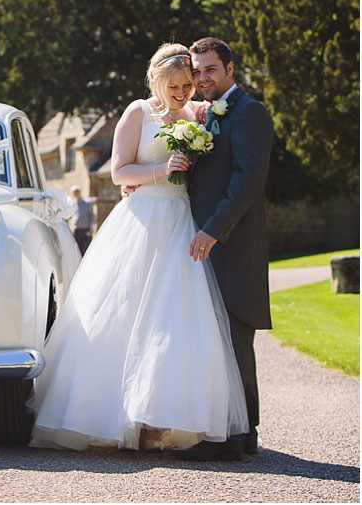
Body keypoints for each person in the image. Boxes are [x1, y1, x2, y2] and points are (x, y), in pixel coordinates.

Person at [29, 43, 249, 454]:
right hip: (141, 221)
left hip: (180, 221)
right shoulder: (138, 112)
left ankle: (162, 420)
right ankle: (117, 416)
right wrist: (161, 170)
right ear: (156, 81)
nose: (183, 92)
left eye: (187, 85)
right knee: (124, 315)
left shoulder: (196, 116)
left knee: (175, 320)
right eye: (175, 85)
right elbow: (117, 171)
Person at [174, 37, 274, 461]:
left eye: (210, 69)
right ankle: (232, 432)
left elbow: (248, 181)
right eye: (196, 71)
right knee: (210, 340)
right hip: (200, 244)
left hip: (231, 246)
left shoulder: (250, 113)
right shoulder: (203, 115)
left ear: (230, 68)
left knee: (235, 340)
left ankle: (238, 436)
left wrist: (213, 231)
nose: (202, 78)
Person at [70, 186, 94, 255]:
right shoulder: (72, 204)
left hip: (86, 230)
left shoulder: (87, 203)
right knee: (77, 251)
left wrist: (92, 227)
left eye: (77, 192)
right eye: (74, 192)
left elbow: (91, 216)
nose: (76, 194)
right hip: (76, 231)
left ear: (80, 192)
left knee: (86, 250)